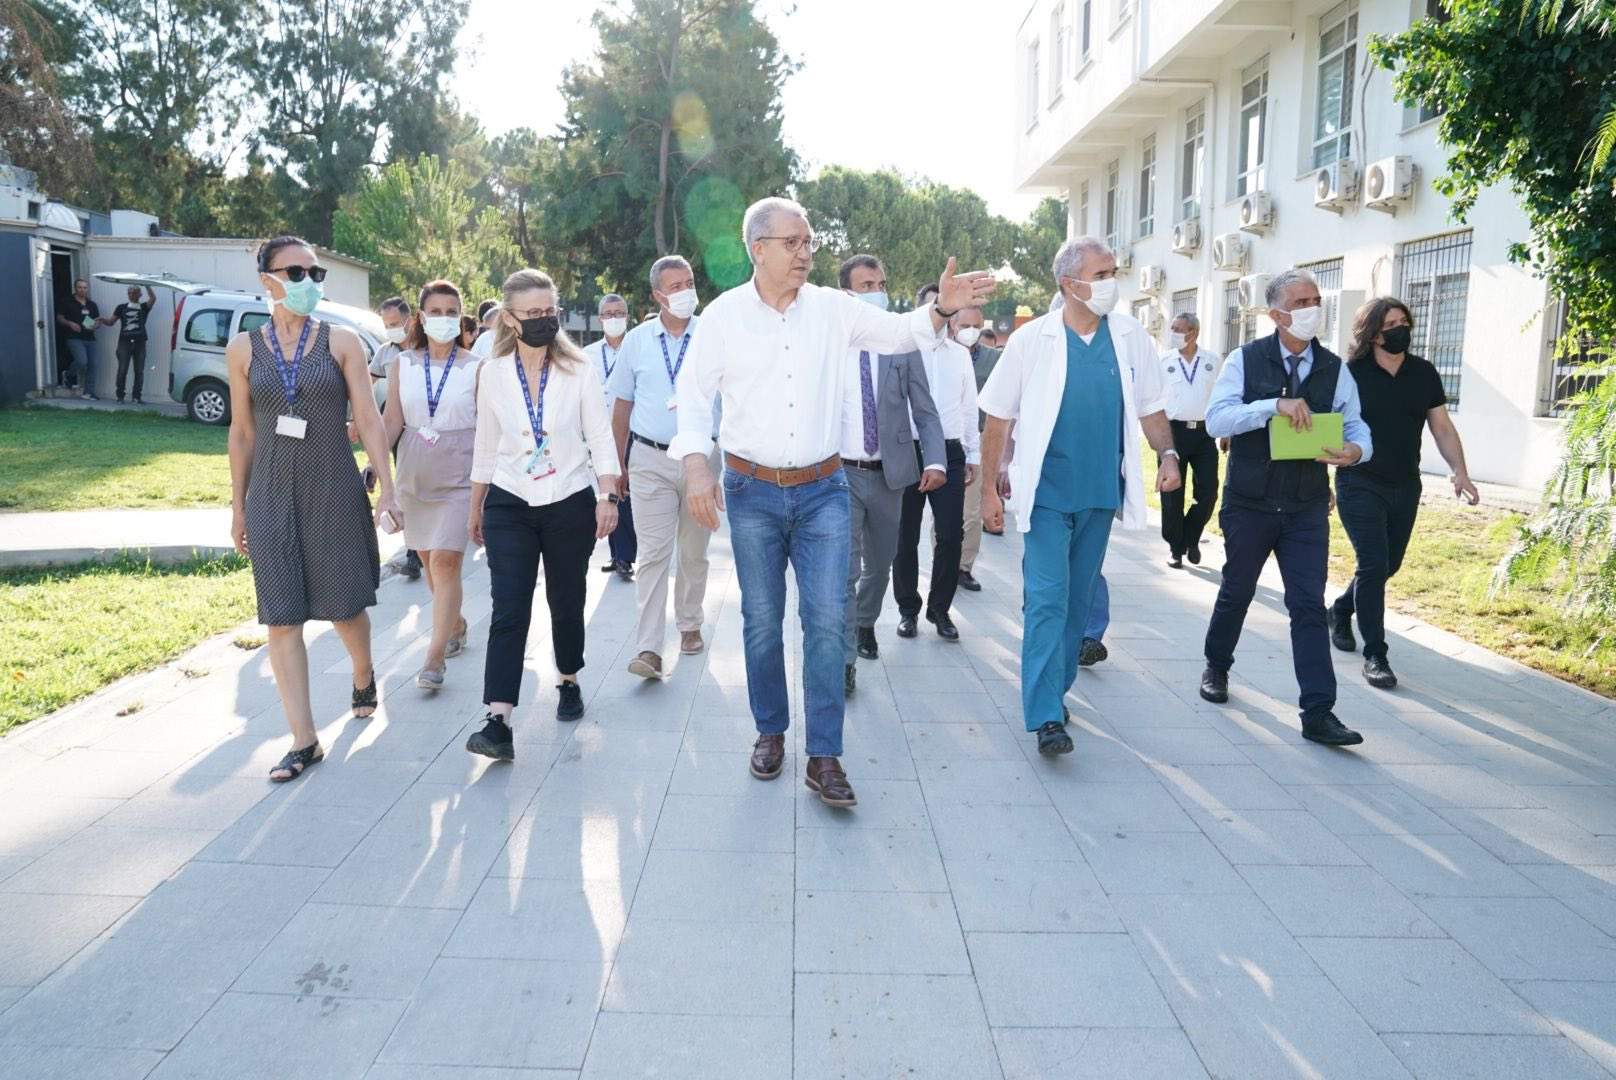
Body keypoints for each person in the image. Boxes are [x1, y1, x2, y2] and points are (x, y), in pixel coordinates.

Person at [672, 196, 995, 808]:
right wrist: (694, 466)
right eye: (792, 243)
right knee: (762, 622)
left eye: (809, 242)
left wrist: (941, 307)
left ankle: (825, 754)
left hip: (824, 491)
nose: (805, 253)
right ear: (757, 248)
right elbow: (692, 396)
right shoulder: (723, 318)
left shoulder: (833, 309)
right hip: (751, 491)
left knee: (825, 622)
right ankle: (771, 730)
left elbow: (901, 331)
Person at [979, 236, 1180, 756]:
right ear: (1070, 284)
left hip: (1100, 494)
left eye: (1114, 271)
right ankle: (1045, 714)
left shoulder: (1130, 336)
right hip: (1046, 494)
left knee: (1076, 601)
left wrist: (1168, 455)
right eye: (1103, 273)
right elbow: (998, 417)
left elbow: (1152, 405)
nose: (1113, 282)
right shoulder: (1031, 341)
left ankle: (1055, 688)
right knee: (1047, 599)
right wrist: (987, 493)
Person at [227, 235, 401, 782]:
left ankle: (363, 669)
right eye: (296, 272)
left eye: (316, 274)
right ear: (268, 280)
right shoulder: (243, 349)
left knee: (345, 607)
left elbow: (369, 419)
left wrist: (389, 489)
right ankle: (304, 740)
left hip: (331, 484)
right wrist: (238, 506)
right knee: (282, 617)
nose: (308, 282)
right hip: (272, 493)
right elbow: (242, 432)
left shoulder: (342, 341)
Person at [1200, 267, 1374, 746]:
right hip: (1250, 503)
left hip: (1306, 507)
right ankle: (1217, 665)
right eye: (1300, 302)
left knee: (1307, 606)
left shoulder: (1334, 368)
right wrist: (1269, 407)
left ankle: (1319, 711)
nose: (1311, 308)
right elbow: (1217, 419)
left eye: (1315, 299)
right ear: (1276, 313)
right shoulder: (1245, 359)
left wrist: (1356, 452)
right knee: (1237, 590)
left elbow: (1356, 427)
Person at [465, 268, 620, 760]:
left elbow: (600, 436)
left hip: (569, 496)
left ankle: (568, 676)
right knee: (509, 606)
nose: (543, 320)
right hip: (510, 500)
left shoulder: (579, 371)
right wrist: (477, 505)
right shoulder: (491, 373)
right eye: (532, 313)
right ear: (509, 319)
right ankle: (498, 719)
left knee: (566, 596)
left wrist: (608, 495)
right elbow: (486, 444)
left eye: (549, 311)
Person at [1331, 297, 1478, 689]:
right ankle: (1376, 654)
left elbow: (1441, 427)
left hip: (1405, 483)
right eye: (1391, 324)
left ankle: (1342, 608)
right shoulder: (1351, 374)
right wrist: (1319, 478)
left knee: (1388, 565)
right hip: (1359, 480)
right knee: (1373, 562)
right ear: (1373, 334)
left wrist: (1459, 471)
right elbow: (1330, 427)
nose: (1401, 330)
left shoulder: (1423, 373)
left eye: (1404, 322)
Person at [835, 254, 947, 696]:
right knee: (842, 571)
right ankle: (844, 659)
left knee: (880, 566)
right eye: (866, 284)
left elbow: (925, 409)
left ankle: (866, 621)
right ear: (846, 292)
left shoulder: (903, 343)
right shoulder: (830, 341)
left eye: (880, 282)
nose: (877, 290)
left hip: (890, 474)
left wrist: (935, 461)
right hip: (838, 474)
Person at [609, 256, 721, 680]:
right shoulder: (638, 341)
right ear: (657, 295)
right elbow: (622, 405)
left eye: (689, 282)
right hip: (650, 460)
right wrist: (615, 464)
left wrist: (723, 465)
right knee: (653, 553)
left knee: (694, 550)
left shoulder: (711, 334)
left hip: (701, 461)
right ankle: (649, 648)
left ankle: (690, 623)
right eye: (674, 286)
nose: (684, 292)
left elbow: (729, 400)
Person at [382, 280, 482, 691]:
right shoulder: (402, 364)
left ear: (461, 316)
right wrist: (377, 472)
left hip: (459, 475)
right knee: (428, 562)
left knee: (446, 562)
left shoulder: (478, 367)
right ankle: (454, 622)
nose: (444, 319)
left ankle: (434, 656)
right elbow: (391, 421)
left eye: (451, 311)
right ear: (421, 317)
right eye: (435, 312)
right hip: (413, 473)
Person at [893, 289, 981, 643]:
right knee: (905, 536)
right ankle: (908, 610)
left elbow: (969, 406)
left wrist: (972, 455)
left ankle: (940, 609)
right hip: (907, 451)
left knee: (950, 533)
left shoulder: (959, 355)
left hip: (949, 450)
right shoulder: (900, 349)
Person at [1158, 312, 1224, 568]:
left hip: (1204, 433)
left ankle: (1191, 536)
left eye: (1177, 329)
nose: (1172, 333)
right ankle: (1176, 547)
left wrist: (1225, 431)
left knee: (1208, 492)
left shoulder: (1212, 361)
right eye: (1171, 328)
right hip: (1172, 432)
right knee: (1172, 493)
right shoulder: (1163, 361)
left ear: (1193, 333)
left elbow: (1221, 396)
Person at [585, 293, 636, 582]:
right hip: (598, 434)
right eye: (608, 314)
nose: (613, 318)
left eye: (619, 313)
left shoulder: (637, 347)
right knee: (608, 494)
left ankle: (625, 556)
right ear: (600, 318)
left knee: (623, 492)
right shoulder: (589, 354)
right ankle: (618, 554)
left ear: (626, 317)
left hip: (629, 432)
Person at [952, 305, 999, 589]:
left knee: (970, 510)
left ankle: (963, 566)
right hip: (945, 439)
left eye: (976, 326)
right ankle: (942, 561)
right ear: (952, 324)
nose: (970, 331)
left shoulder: (993, 360)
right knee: (945, 511)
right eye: (964, 325)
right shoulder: (940, 355)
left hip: (978, 439)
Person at [108, 285, 155, 403]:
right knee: (122, 369)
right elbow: (111, 322)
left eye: (134, 292)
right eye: (129, 292)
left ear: (140, 294)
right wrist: (101, 320)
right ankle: (120, 396)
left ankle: (136, 397)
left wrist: (147, 285)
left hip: (140, 343)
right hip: (124, 343)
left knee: (139, 371)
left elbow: (153, 298)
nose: (132, 294)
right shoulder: (121, 307)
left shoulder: (144, 307)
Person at [57, 278, 101, 398]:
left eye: (85, 287)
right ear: (75, 288)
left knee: (93, 365)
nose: (82, 290)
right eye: (80, 287)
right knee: (82, 361)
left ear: (87, 289)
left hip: (90, 338)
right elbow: (60, 318)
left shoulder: (92, 305)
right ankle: (68, 375)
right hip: (73, 337)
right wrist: (70, 323)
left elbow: (96, 321)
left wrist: (95, 326)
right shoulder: (66, 301)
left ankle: (88, 393)